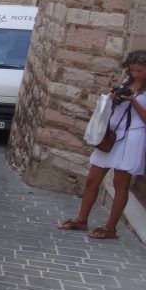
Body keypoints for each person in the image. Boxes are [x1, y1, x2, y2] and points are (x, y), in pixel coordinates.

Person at [58, 50, 146, 239]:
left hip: (133, 137)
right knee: (92, 179)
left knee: (120, 183)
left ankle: (110, 228)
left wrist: (134, 101)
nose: (136, 74)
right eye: (132, 70)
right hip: (112, 135)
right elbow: (113, 106)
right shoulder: (127, 81)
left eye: (140, 71)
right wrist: (113, 96)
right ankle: (81, 219)